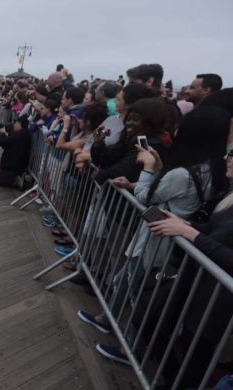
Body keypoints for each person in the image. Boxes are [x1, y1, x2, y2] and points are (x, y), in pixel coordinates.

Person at [77, 106, 230, 366]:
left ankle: (131, 350)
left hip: (156, 241)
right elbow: (168, 192)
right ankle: (106, 319)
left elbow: (147, 197)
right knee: (127, 281)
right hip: (169, 242)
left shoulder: (183, 173)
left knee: (144, 296)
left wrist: (148, 168)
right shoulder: (211, 170)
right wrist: (156, 169)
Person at [0, 117, 32, 189]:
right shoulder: (24, 133)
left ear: (19, 124)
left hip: (14, 167)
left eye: (15, 123)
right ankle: (14, 179)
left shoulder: (19, 135)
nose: (14, 125)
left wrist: (2, 133)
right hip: (15, 165)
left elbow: (2, 142)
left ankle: (15, 181)